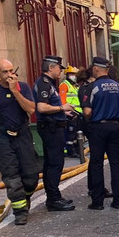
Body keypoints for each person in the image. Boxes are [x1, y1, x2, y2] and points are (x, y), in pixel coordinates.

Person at [0, 59, 40, 225]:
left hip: (22, 134)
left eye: (11, 71)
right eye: (5, 72)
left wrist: (15, 92)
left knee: (31, 176)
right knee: (11, 176)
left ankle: (24, 197)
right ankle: (20, 212)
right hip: (2, 137)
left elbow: (31, 109)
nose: (9, 75)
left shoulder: (23, 87)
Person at [83, 57, 119, 210]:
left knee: (96, 164)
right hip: (115, 126)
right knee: (115, 164)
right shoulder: (118, 86)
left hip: (98, 128)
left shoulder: (93, 87)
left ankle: (97, 201)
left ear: (96, 68)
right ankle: (118, 200)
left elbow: (87, 111)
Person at [33, 55, 75, 211]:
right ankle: (53, 199)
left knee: (54, 163)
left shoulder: (49, 84)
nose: (61, 71)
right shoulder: (44, 84)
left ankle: (54, 196)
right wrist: (61, 108)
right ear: (51, 68)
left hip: (55, 126)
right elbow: (42, 108)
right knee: (54, 164)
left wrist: (64, 113)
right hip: (50, 128)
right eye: (59, 68)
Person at [59, 65, 81, 157]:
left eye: (75, 74)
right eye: (72, 74)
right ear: (67, 75)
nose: (74, 76)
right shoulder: (64, 85)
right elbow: (62, 99)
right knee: (70, 134)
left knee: (77, 133)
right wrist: (65, 111)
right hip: (70, 112)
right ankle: (70, 151)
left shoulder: (75, 86)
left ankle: (77, 148)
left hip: (77, 112)